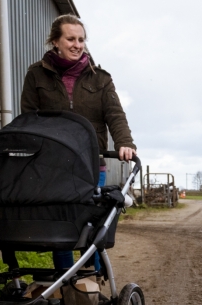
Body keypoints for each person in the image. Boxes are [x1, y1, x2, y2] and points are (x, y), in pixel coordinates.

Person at [8, 14, 137, 272]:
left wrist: (125, 142)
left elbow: (115, 114)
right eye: (70, 39)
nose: (77, 44)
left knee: (92, 224)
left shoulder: (100, 78)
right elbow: (29, 118)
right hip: (52, 166)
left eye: (81, 39)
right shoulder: (36, 75)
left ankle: (94, 276)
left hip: (91, 164)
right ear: (55, 41)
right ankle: (66, 280)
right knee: (62, 225)